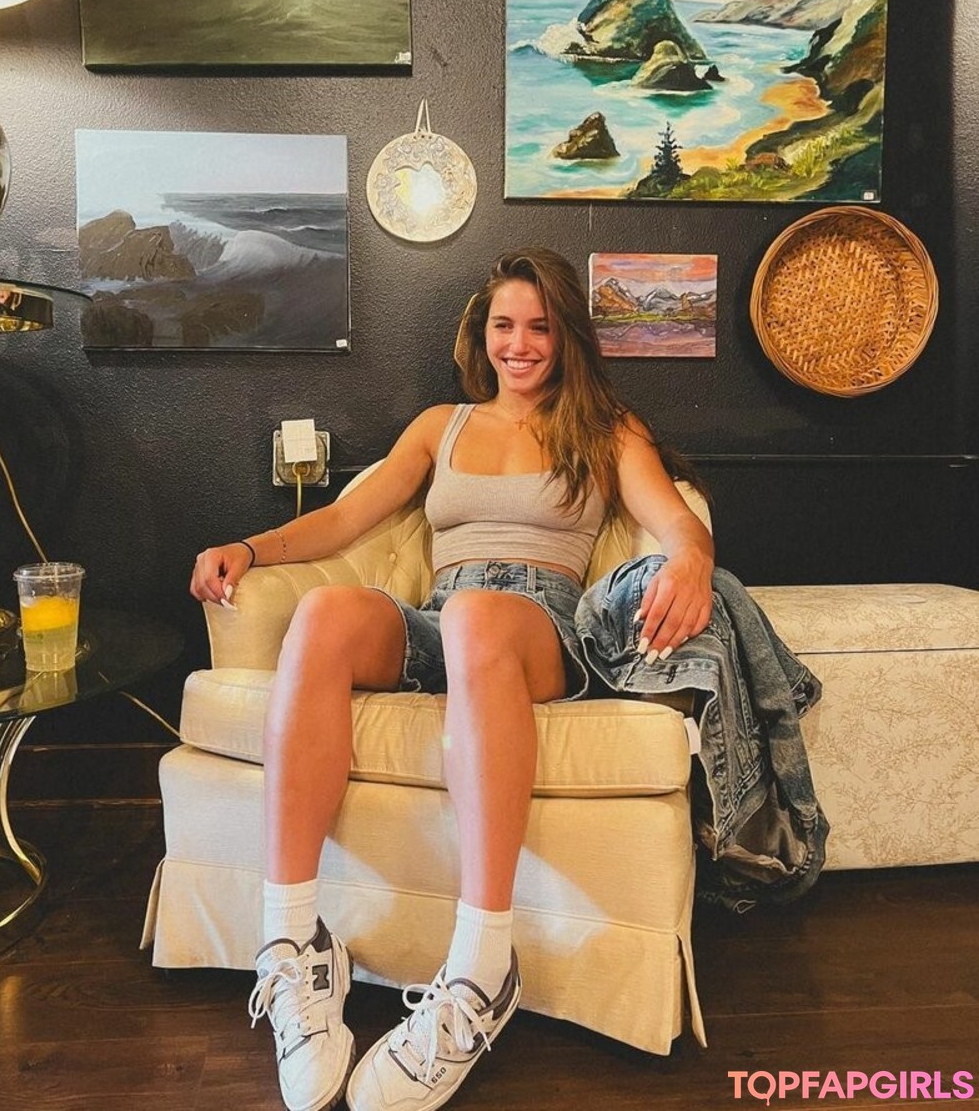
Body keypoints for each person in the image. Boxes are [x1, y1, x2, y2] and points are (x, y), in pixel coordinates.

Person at [190, 247, 715, 1111]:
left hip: (540, 629)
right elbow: (345, 519)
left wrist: (692, 557)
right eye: (505, 324)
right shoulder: (443, 426)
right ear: (483, 332)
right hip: (443, 618)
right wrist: (249, 548)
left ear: (566, 337)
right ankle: (293, 945)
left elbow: (673, 522)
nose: (520, 343)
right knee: (324, 616)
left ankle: (481, 967)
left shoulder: (606, 428)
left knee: (477, 618)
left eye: (540, 327)